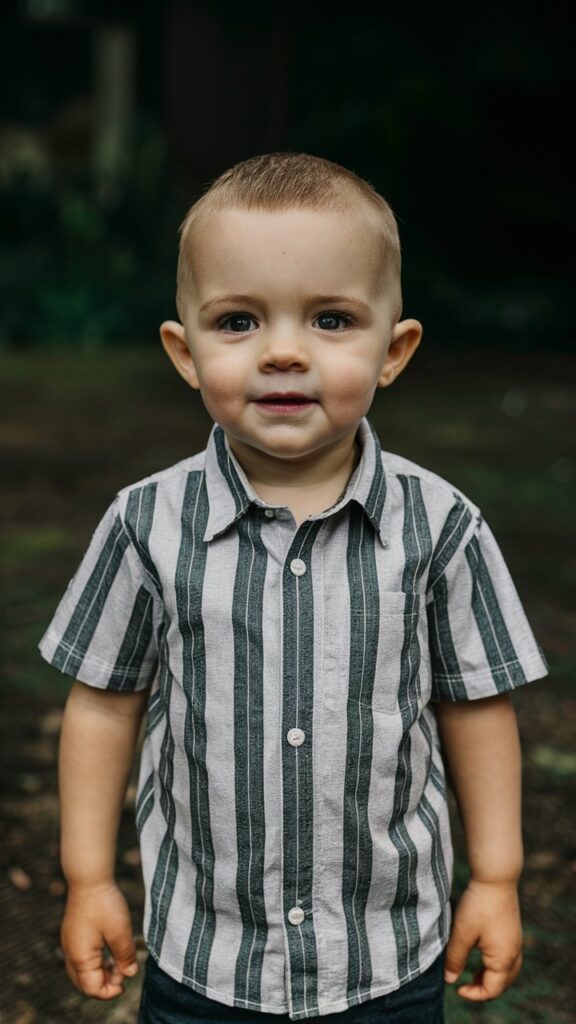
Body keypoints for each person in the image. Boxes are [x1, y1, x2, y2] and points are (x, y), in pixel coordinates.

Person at [39, 152, 548, 1024]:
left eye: (330, 319)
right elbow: (103, 703)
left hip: (384, 955)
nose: (282, 352)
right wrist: (89, 877)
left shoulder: (442, 527)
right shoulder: (144, 524)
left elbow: (475, 703)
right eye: (237, 321)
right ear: (184, 351)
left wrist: (496, 877)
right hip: (207, 956)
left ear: (394, 351)